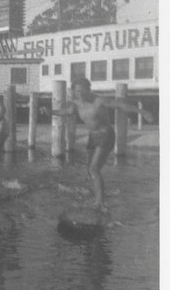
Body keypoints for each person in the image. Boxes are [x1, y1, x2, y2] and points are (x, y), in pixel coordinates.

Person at [52, 77, 153, 211]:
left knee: (94, 169)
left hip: (106, 135)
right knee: (91, 171)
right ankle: (99, 192)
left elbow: (121, 105)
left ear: (89, 89)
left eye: (83, 91)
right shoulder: (76, 103)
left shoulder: (98, 101)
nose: (80, 94)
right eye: (77, 91)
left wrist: (143, 112)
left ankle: (99, 203)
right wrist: (51, 112)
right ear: (73, 91)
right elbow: (67, 112)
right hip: (93, 137)